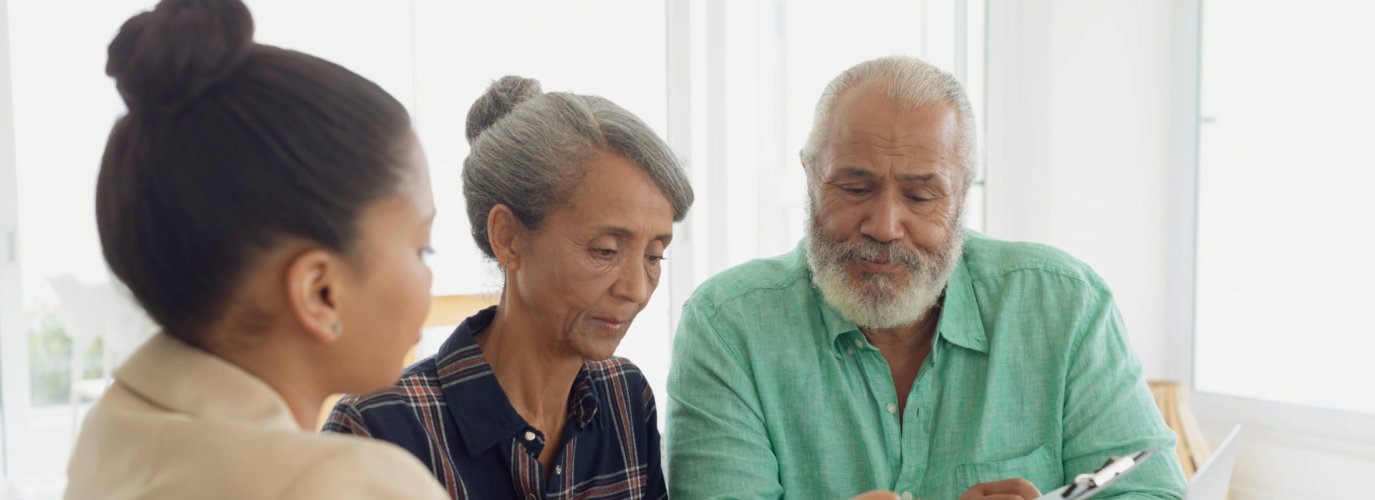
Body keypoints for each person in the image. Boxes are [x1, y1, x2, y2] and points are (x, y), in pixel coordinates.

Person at [665, 55, 1188, 500]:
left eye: (920, 196)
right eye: (853, 188)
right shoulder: (727, 327)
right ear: (810, 176)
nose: (886, 227)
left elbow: (1150, 489)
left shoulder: (1064, 304)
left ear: (962, 192)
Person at [64, 0, 447, 498]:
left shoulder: (110, 429)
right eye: (423, 248)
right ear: (320, 291)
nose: (430, 279)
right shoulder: (351, 485)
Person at [324, 76, 692, 500]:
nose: (636, 290)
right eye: (605, 250)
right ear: (508, 239)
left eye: (653, 256)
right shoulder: (378, 430)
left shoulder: (625, 398)